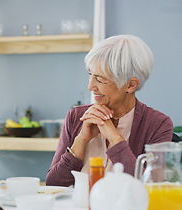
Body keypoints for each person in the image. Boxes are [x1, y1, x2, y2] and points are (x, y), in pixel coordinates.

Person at [46, 35, 173, 187]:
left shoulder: (158, 125)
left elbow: (151, 187)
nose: (91, 86)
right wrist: (81, 141)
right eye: (90, 75)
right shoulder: (76, 117)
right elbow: (53, 185)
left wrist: (115, 139)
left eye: (100, 79)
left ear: (131, 85)